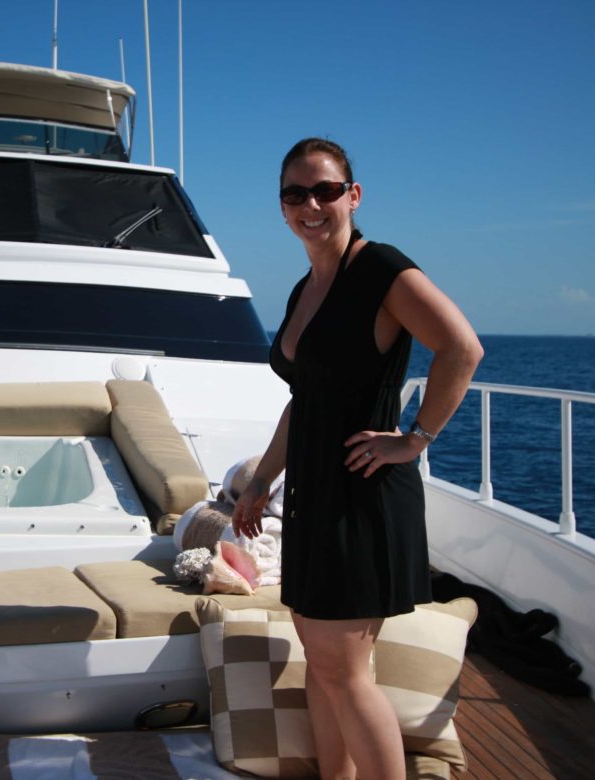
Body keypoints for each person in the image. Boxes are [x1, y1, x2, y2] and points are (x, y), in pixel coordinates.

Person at [232, 137, 483, 780]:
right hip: (316, 495)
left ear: (353, 195)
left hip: (361, 495)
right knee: (326, 665)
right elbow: (304, 401)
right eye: (295, 194)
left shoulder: (380, 270)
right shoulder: (304, 288)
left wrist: (415, 440)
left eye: (325, 190)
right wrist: (261, 480)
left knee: (343, 672)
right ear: (282, 206)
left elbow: (461, 349)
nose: (310, 204)